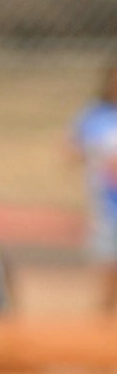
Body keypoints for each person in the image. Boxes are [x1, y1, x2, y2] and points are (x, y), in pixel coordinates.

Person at [70, 61, 117, 313]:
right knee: (108, 269)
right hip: (107, 207)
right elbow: (72, 148)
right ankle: (104, 328)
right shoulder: (95, 115)